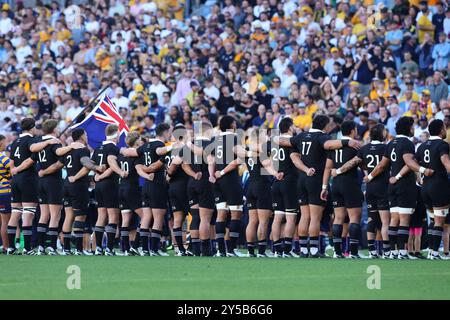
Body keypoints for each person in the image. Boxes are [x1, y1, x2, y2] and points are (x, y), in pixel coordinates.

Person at [277, 115, 360, 258]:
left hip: (302, 179)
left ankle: (303, 250)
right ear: (324, 125)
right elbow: (329, 145)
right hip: (315, 180)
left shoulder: (302, 135)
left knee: (304, 216)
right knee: (315, 217)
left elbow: (282, 142)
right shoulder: (322, 137)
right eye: (329, 124)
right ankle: (314, 250)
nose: (330, 127)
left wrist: (304, 168)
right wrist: (347, 141)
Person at [369, 116, 433, 259]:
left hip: (392, 187)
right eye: (412, 126)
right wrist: (423, 170)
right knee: (404, 220)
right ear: (408, 127)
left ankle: (394, 252)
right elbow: (409, 162)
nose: (413, 129)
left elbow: (381, 165)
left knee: (394, 219)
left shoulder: (391, 143)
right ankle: (402, 253)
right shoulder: (407, 143)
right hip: (405, 185)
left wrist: (370, 177)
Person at [30, 119, 72, 255]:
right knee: (55, 215)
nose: (60, 130)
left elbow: (33, 158)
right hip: (53, 181)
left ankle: (41, 246)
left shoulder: (39, 143)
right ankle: (52, 246)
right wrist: (71, 146)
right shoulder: (54, 142)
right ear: (54, 130)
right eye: (58, 128)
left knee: (44, 215)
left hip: (40, 181)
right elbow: (59, 152)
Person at [324, 120, 364, 259]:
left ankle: (337, 252)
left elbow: (328, 167)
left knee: (338, 218)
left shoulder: (335, 146)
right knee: (354, 218)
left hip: (336, 184)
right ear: (353, 130)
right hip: (350, 183)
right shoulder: (356, 145)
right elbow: (362, 164)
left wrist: (325, 186)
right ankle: (353, 252)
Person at [62, 128, 104, 255]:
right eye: (85, 134)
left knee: (69, 217)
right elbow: (86, 165)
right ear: (81, 136)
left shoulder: (68, 150)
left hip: (66, 185)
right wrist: (96, 167)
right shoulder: (82, 149)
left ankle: (66, 249)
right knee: (80, 217)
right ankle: (79, 249)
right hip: (78, 186)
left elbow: (58, 165)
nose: (87, 136)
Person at [210, 116, 246, 257]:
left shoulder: (215, 139)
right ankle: (231, 250)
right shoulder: (233, 138)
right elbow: (240, 158)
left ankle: (221, 250)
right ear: (232, 125)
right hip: (230, 180)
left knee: (221, 214)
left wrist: (212, 175)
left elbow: (210, 160)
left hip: (218, 182)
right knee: (236, 214)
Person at [415, 119, 450, 260]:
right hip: (439, 186)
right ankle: (434, 253)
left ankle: (431, 251)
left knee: (432, 220)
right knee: (439, 222)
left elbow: (414, 163)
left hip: (425, 187)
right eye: (445, 127)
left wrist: (419, 176)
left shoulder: (422, 146)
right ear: (441, 130)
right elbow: (446, 162)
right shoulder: (442, 145)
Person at [7, 118, 40, 255]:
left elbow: (11, 161)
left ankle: (10, 247)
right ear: (32, 127)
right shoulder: (31, 141)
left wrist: (14, 171)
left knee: (15, 213)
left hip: (16, 180)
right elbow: (29, 161)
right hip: (27, 179)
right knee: (28, 213)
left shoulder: (15, 142)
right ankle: (27, 248)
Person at [244, 128, 278, 257]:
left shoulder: (248, 151)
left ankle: (250, 251)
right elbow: (267, 164)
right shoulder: (261, 152)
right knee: (263, 221)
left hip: (250, 186)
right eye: (264, 135)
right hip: (262, 186)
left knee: (252, 221)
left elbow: (236, 161)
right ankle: (262, 252)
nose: (267, 137)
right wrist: (276, 173)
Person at [91, 124, 124, 256]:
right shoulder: (113, 148)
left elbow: (93, 165)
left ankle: (99, 248)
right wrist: (103, 176)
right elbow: (112, 165)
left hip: (99, 186)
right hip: (110, 184)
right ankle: (109, 249)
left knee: (101, 216)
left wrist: (96, 176)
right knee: (113, 216)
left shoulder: (98, 148)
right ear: (116, 134)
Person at [269, 117, 299, 258]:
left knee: (277, 217)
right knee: (291, 217)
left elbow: (266, 160)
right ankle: (287, 250)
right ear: (290, 127)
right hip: (290, 181)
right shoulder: (292, 142)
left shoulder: (274, 142)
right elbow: (295, 160)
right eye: (294, 125)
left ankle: (276, 250)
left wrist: (275, 173)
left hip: (276, 181)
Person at [117, 131, 144, 256]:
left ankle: (125, 248)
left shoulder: (121, 155)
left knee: (125, 220)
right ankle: (135, 245)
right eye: (139, 139)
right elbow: (140, 170)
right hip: (132, 189)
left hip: (121, 188)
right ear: (136, 141)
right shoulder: (135, 155)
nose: (140, 141)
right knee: (145, 217)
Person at [0, 134, 11, 253]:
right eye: (4, 142)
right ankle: (6, 246)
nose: (6, 144)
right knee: (6, 221)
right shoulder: (3, 158)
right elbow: (13, 169)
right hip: (5, 191)